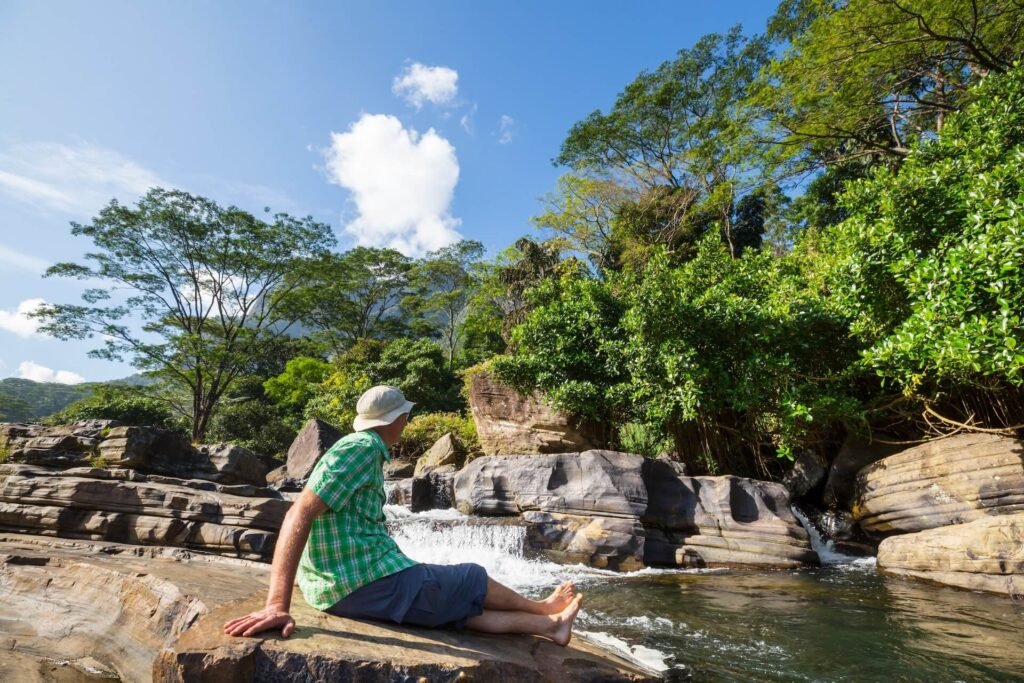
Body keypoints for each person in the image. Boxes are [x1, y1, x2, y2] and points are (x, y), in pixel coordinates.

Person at [223, 385, 583, 645]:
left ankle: (551, 625)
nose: (408, 421)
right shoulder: (362, 449)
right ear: (397, 419)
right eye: (405, 416)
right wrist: (277, 604)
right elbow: (299, 510)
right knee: (472, 577)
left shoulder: (359, 447)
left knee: (457, 609)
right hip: (358, 581)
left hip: (346, 582)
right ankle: (542, 609)